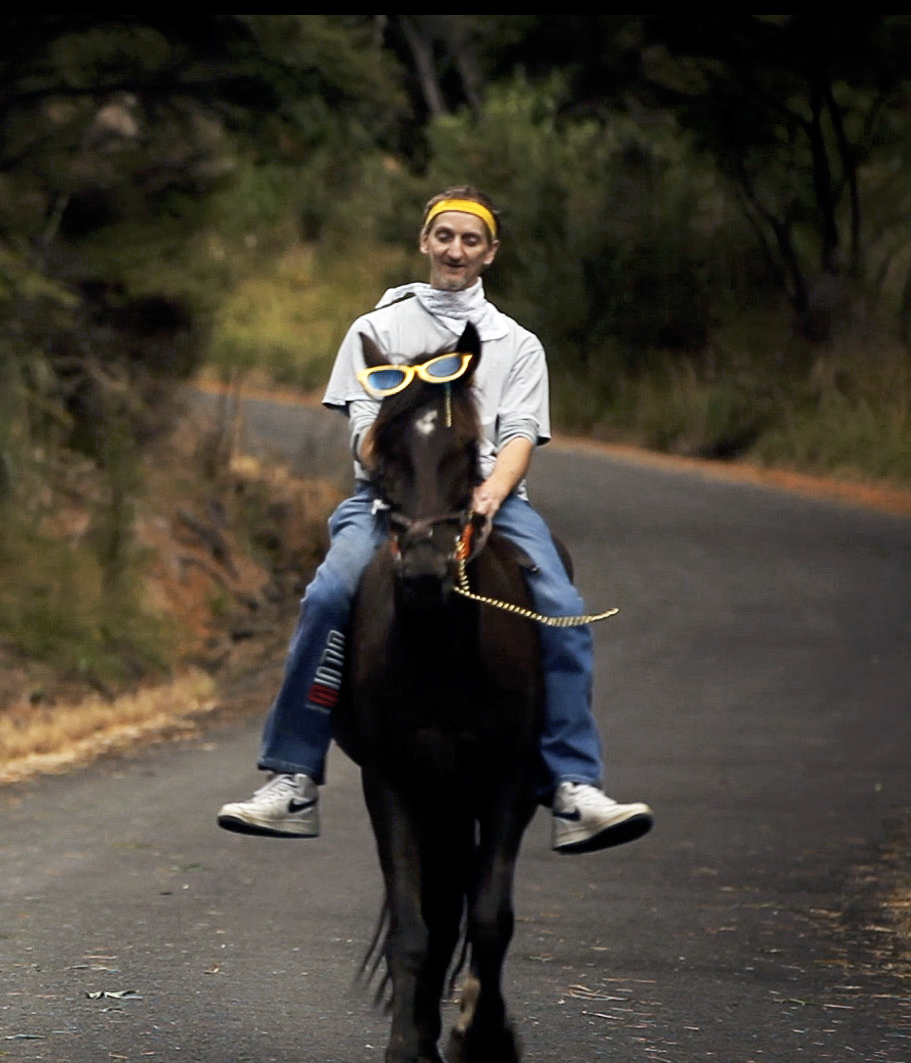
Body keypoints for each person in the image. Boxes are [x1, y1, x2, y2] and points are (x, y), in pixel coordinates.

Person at [217, 186, 653, 854]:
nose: (455, 249)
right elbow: (361, 431)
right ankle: (292, 778)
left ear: (490, 253)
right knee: (329, 594)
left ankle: (573, 787)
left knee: (561, 608)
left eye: (470, 240)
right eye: (444, 236)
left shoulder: (516, 343)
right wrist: (402, 464)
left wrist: (488, 495)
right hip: (386, 500)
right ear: (424, 241)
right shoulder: (376, 332)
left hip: (487, 502)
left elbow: (518, 439)